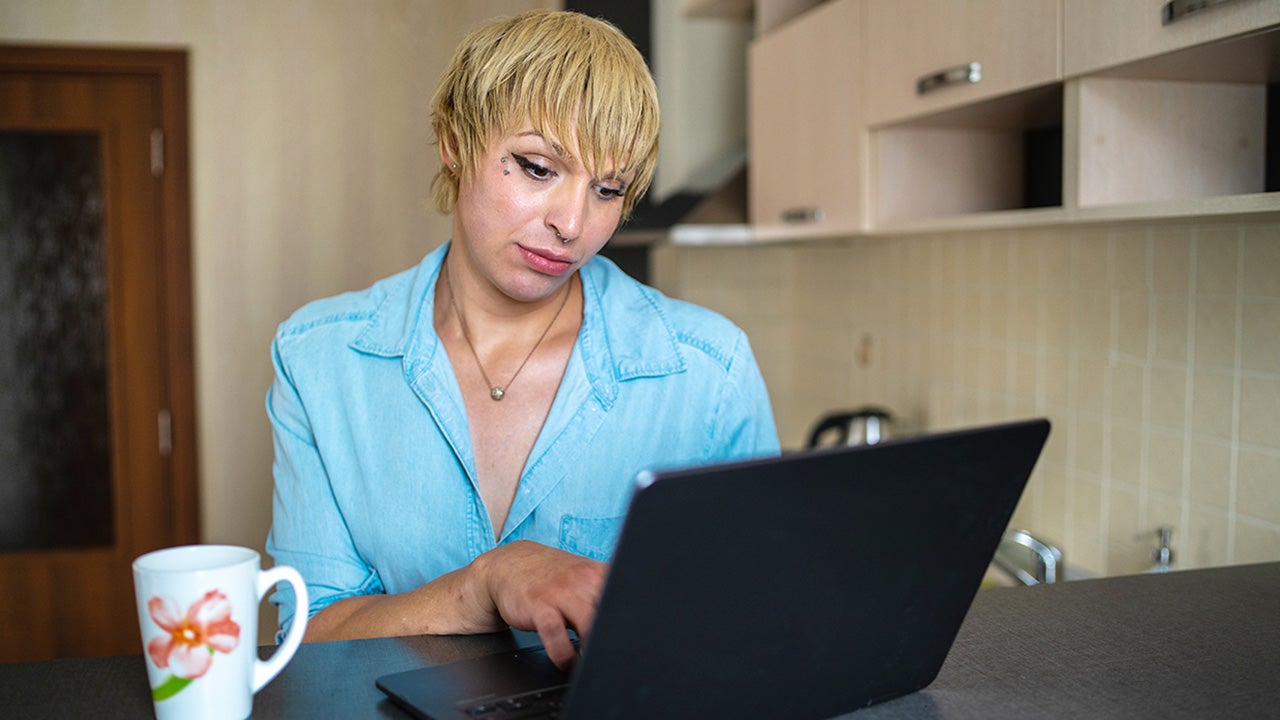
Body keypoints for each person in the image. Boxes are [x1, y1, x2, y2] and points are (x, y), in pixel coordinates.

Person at [265, 9, 779, 671]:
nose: (573, 223)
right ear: (454, 142)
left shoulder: (710, 372)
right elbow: (307, 636)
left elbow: (759, 622)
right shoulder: (318, 360)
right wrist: (483, 584)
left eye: (608, 189)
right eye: (538, 168)